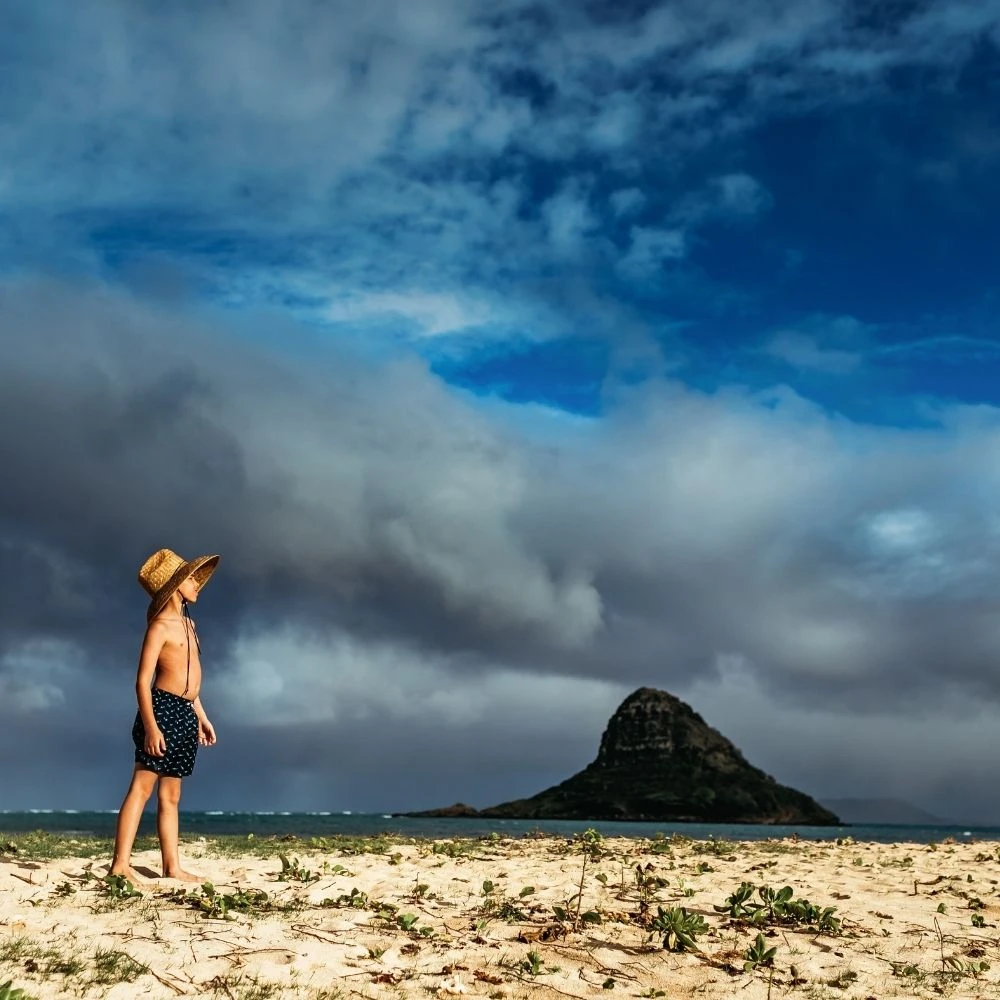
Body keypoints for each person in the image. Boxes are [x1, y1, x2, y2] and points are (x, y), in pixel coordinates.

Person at [110, 548, 220, 883]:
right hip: (161, 710)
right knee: (142, 788)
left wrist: (202, 715)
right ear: (174, 586)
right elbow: (142, 682)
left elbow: (191, 681)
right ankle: (119, 864)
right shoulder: (160, 627)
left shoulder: (189, 624)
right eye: (190, 579)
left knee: (171, 796)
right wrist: (151, 727)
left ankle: (172, 867)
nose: (197, 584)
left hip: (186, 711)